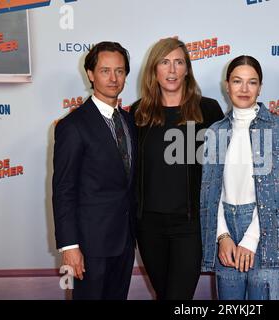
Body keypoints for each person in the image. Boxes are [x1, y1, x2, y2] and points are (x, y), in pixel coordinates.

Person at [200, 55, 279, 300]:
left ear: (260, 87)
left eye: (252, 82)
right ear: (227, 85)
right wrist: (223, 236)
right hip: (226, 227)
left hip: (267, 233)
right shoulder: (215, 131)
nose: (244, 89)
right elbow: (211, 191)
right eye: (237, 81)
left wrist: (251, 237)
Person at [132, 38, 224, 300]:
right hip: (149, 226)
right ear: (154, 69)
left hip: (190, 226)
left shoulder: (208, 110)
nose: (171, 70)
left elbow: (224, 164)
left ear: (187, 69)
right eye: (164, 62)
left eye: (178, 62)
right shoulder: (140, 112)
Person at [52, 41, 137, 300]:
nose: (113, 78)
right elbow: (64, 190)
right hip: (89, 246)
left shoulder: (130, 121)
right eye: (105, 71)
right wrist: (69, 246)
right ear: (90, 74)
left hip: (124, 242)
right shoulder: (73, 126)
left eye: (120, 71)